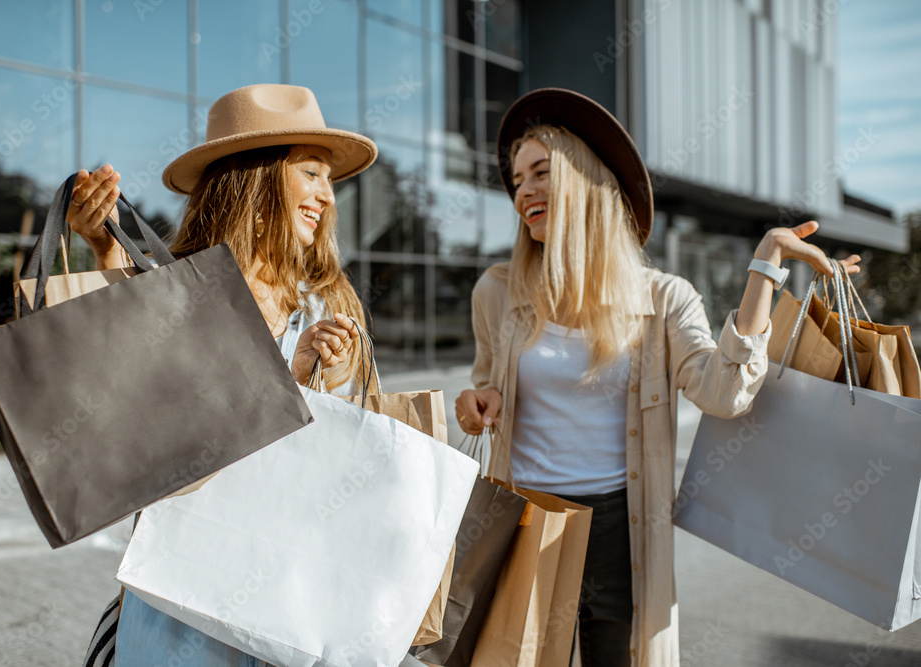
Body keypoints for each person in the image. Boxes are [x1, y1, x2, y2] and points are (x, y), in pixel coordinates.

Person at [454, 88, 861, 667]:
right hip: (524, 519)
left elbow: (724, 392)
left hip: (620, 525)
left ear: (585, 181)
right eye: (517, 180)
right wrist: (480, 401)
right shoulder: (497, 291)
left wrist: (766, 263)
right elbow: (486, 384)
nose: (523, 191)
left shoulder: (666, 298)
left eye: (541, 172)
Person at [67, 84, 378, 667]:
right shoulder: (174, 289)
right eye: (311, 173)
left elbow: (349, 448)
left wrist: (323, 375)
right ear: (257, 177)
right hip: (182, 594)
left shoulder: (327, 304)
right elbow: (143, 435)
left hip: (293, 592)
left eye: (329, 179)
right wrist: (107, 257)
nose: (327, 197)